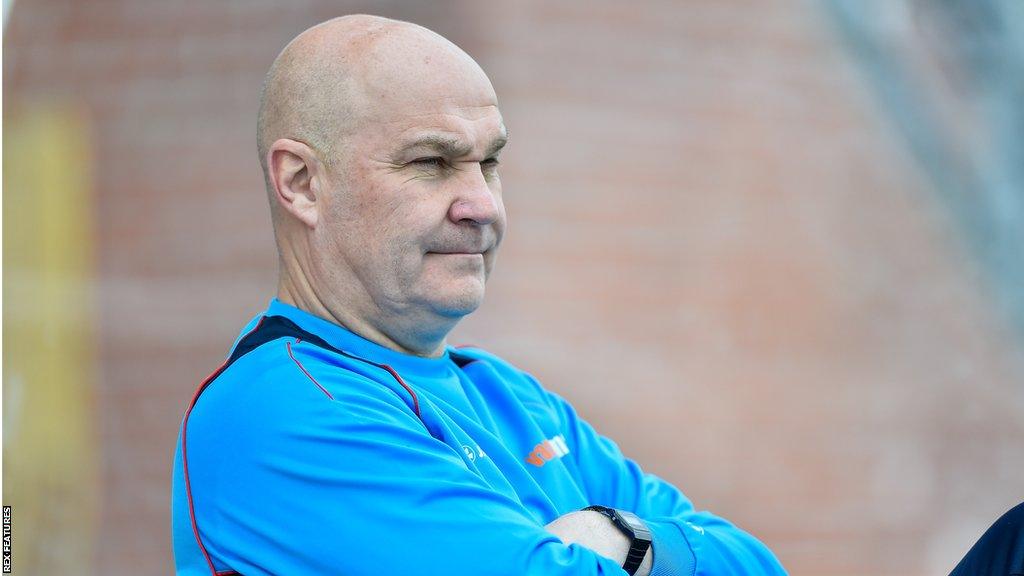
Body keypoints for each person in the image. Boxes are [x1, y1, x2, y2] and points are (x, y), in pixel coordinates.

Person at [170, 14, 788, 575]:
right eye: (432, 163)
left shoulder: (507, 395)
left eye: (489, 162)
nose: (482, 206)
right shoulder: (279, 411)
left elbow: (761, 567)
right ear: (302, 182)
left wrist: (626, 538)